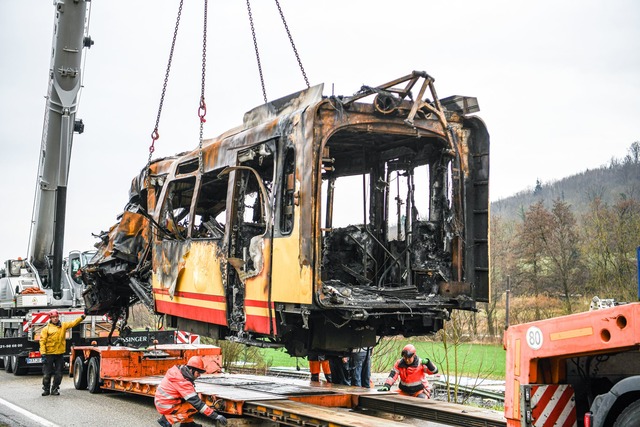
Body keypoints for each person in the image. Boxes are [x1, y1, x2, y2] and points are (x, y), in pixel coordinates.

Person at [155, 355, 227, 427]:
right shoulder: (183, 381)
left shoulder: (179, 373)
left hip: (164, 402)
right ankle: (167, 420)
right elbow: (197, 403)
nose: (199, 376)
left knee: (195, 401)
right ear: (191, 370)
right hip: (165, 406)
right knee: (195, 406)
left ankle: (187, 423)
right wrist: (216, 416)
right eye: (198, 373)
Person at [39, 309, 85, 396]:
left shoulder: (63, 326)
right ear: (50, 318)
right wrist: (43, 354)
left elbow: (73, 323)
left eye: (56, 317)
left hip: (59, 354)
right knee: (46, 374)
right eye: (53, 317)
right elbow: (42, 342)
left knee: (59, 373)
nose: (55, 319)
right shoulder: (46, 329)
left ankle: (55, 389)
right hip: (49, 354)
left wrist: (82, 317)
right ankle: (46, 389)